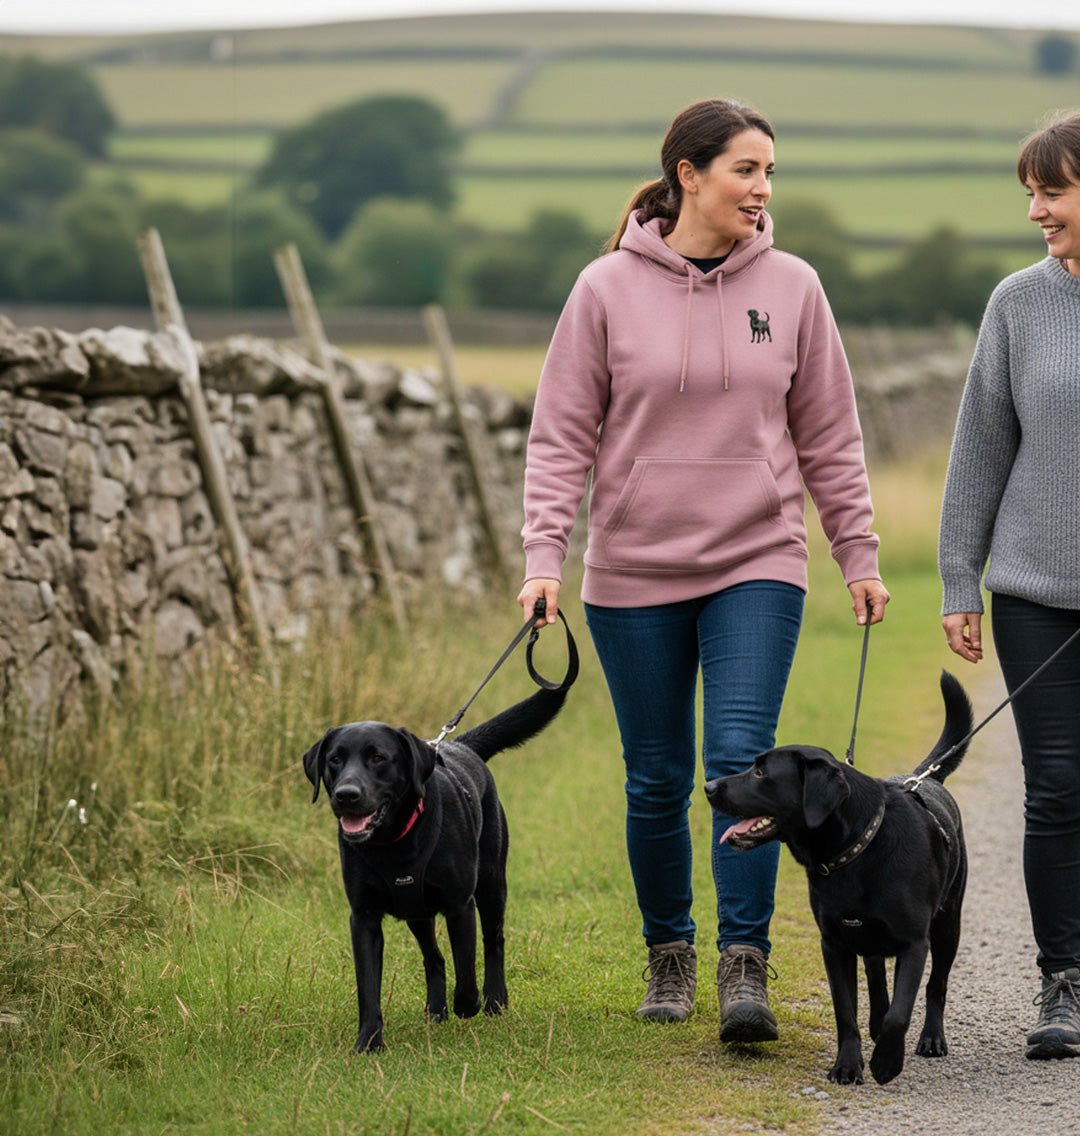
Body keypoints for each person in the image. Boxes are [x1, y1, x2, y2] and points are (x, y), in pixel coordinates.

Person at [517, 97, 889, 1042]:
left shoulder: (796, 287)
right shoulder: (603, 289)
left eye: (771, 172)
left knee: (740, 762)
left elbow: (830, 438)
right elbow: (561, 436)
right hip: (632, 569)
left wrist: (858, 554)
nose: (764, 190)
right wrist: (543, 557)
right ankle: (669, 955)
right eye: (746, 170)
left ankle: (744, 966)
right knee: (654, 777)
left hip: (757, 561)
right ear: (689, 174)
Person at [939, 111, 1080, 1061]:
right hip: (1036, 587)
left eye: (1053, 190)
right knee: (1058, 786)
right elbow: (981, 447)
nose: (1036, 210)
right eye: (1030, 193)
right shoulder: (1018, 305)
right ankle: (1063, 980)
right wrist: (961, 578)